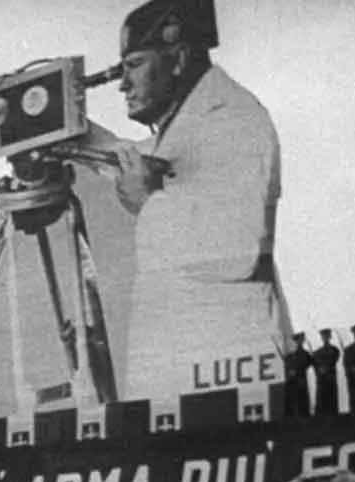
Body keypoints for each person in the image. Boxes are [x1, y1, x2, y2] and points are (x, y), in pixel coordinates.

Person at [106, 0, 289, 401]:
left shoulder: (234, 118)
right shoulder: (188, 123)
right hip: (186, 365)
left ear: (178, 58)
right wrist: (74, 143)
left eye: (134, 64)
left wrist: (148, 203)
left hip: (228, 370)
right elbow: (152, 161)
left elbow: (236, 250)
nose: (123, 84)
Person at [283, 332, 312, 418]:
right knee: (292, 400)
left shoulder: (305, 354)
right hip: (292, 382)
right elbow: (288, 366)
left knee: (302, 401)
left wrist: (296, 371)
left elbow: (306, 364)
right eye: (297, 340)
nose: (299, 342)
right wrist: (290, 371)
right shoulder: (291, 355)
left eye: (301, 340)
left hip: (301, 380)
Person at [312, 329, 340, 416]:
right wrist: (319, 369)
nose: (325, 338)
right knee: (321, 402)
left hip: (330, 379)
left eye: (327, 336)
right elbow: (314, 364)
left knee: (332, 402)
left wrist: (325, 368)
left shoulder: (335, 349)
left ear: (330, 337)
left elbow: (333, 360)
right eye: (324, 336)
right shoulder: (317, 352)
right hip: (321, 380)